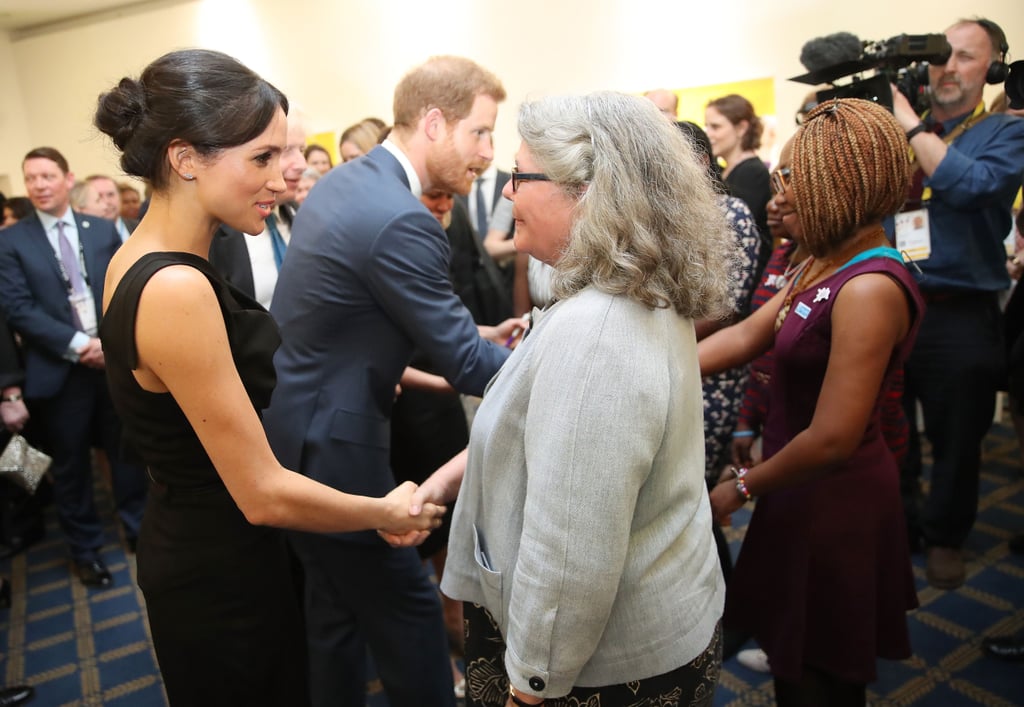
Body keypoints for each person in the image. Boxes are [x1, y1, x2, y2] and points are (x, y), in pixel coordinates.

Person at [92, 48, 445, 706]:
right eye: (260, 158)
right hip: (219, 569)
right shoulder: (175, 285)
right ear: (185, 157)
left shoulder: (144, 257)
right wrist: (383, 510)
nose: (281, 180)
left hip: (209, 544)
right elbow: (260, 492)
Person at [399, 91, 734, 707]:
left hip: (597, 668)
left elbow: (572, 548)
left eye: (521, 176)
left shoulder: (596, 333)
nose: (506, 192)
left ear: (588, 191)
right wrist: (445, 483)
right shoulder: (633, 286)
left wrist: (529, 686)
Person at [263, 55, 521, 707]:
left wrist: (477, 336)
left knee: (334, 614)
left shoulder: (346, 182)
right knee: (409, 609)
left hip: (297, 432)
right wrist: (559, 365)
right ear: (435, 123)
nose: (488, 154)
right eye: (481, 133)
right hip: (339, 450)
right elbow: (465, 365)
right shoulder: (402, 217)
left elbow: (355, 319)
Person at [699, 98, 922, 705]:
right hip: (794, 482)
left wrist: (739, 488)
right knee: (791, 662)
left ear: (836, 181)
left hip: (835, 499)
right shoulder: (822, 261)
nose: (780, 189)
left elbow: (833, 438)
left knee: (820, 678)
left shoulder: (869, 285)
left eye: (791, 175)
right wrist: (645, 361)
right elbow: (747, 336)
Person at [890, 17, 1024, 589]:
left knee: (957, 435)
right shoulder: (896, 131)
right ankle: (902, 526)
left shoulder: (1006, 131)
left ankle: (946, 535)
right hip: (893, 303)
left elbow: (969, 185)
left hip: (959, 309)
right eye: (941, 57)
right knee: (889, 426)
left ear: (991, 68)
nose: (949, 68)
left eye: (967, 58)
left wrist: (912, 125)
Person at [0, 147, 147, 588]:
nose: (39, 185)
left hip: (112, 366)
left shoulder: (102, 231)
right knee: (71, 471)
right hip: (61, 373)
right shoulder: (11, 241)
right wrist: (82, 344)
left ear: (68, 179)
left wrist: (111, 344)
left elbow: (128, 286)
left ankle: (139, 531)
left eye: (47, 176)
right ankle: (85, 552)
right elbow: (18, 309)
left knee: (126, 458)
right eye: (31, 179)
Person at [208, 110, 308, 308]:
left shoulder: (301, 215)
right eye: (287, 151)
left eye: (302, 150)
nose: (302, 164)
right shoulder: (216, 229)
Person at [705, 94, 772, 291]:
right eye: (707, 126)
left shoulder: (752, 173)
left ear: (741, 128)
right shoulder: (727, 170)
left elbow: (734, 234)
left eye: (715, 127)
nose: (708, 133)